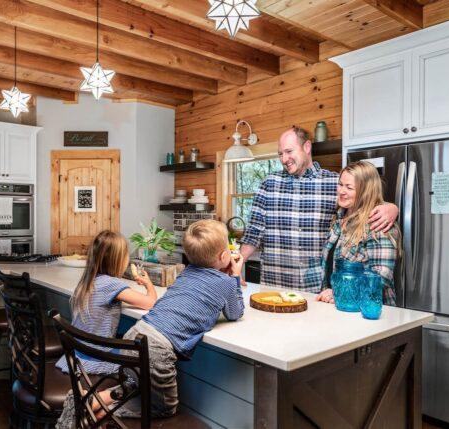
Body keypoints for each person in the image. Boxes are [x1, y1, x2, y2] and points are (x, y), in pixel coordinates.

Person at [239, 126, 398, 291]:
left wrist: (392, 208)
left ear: (307, 147)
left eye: (289, 151)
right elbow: (254, 232)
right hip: (275, 285)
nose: (284, 159)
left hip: (317, 290)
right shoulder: (268, 184)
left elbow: (365, 202)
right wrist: (238, 263)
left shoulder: (335, 183)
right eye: (280, 154)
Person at [115, 219, 245, 418]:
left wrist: (225, 277)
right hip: (156, 351)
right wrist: (234, 277)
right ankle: (113, 413)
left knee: (137, 389)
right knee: (164, 408)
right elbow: (235, 313)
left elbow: (200, 288)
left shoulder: (186, 272)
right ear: (224, 255)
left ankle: (99, 403)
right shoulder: (226, 282)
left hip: (134, 335)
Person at [55, 230, 157, 375]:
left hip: (77, 355)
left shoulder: (88, 281)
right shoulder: (111, 285)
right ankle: (109, 396)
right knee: (147, 362)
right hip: (96, 359)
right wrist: (148, 284)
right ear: (118, 260)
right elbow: (151, 303)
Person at [316, 161, 400, 305]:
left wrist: (338, 291)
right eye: (340, 184)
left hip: (369, 314)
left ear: (365, 192)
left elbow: (381, 277)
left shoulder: (378, 223)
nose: (341, 191)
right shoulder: (339, 219)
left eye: (349, 187)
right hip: (342, 309)